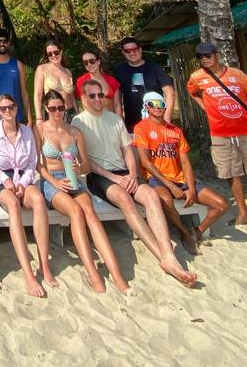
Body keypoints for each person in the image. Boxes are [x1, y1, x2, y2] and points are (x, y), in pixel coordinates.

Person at [72, 80, 196, 287]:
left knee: (151, 196)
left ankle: (167, 253)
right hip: (101, 176)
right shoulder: (79, 123)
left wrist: (130, 173)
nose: (97, 99)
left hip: (124, 172)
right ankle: (164, 258)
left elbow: (128, 149)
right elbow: (87, 161)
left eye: (100, 95)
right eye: (92, 95)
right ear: (83, 98)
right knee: (124, 200)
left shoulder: (114, 119)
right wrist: (115, 178)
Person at [37, 91, 128, 293]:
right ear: (46, 109)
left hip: (74, 178)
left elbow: (86, 164)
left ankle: (116, 273)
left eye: (60, 108)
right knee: (76, 212)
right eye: (52, 108)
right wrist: (55, 182)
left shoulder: (75, 132)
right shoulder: (40, 130)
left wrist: (80, 169)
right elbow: (37, 165)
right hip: (52, 181)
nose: (57, 112)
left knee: (90, 214)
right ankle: (93, 272)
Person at [133, 90, 229, 251]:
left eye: (161, 104)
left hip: (180, 178)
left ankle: (197, 232)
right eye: (152, 104)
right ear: (146, 107)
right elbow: (146, 163)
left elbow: (185, 162)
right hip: (157, 178)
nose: (157, 108)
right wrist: (171, 186)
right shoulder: (141, 128)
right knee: (165, 200)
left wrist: (191, 188)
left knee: (222, 205)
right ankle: (184, 232)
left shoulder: (175, 130)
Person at [187, 42, 247, 224]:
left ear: (216, 55)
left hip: (246, 130)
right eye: (200, 57)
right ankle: (243, 212)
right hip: (220, 133)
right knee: (232, 173)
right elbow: (192, 92)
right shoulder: (197, 77)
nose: (204, 60)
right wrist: (205, 107)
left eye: (207, 55)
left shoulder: (236, 74)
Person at [0, 94, 56, 297]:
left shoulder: (26, 132)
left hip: (23, 177)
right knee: (13, 205)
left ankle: (44, 263)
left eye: (10, 107)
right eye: (3, 108)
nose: (7, 111)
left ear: (17, 108)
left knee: (39, 200)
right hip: (2, 180)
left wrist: (23, 183)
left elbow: (32, 162)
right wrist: (6, 181)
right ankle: (28, 274)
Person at [114, 37, 175, 132]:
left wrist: (166, 117)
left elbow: (170, 93)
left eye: (134, 49)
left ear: (140, 49)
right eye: (127, 51)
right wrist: (120, 122)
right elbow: (117, 102)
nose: (132, 53)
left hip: (157, 122)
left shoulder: (155, 68)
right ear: (123, 53)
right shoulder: (119, 71)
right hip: (132, 125)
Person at [0, 28, 31, 126]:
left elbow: (24, 93)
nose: (1, 44)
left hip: (17, 117)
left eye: (4, 41)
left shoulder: (18, 65)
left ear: (8, 43)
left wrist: (29, 119)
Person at [33, 40, 76, 124]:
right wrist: (39, 117)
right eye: (49, 54)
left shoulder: (68, 72)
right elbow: (37, 95)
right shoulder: (42, 69)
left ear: (61, 51)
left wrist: (77, 115)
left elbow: (73, 99)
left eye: (56, 52)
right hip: (53, 114)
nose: (53, 55)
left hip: (71, 113)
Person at [75, 48, 122, 116]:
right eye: (86, 62)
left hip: (112, 121)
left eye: (92, 61)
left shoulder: (111, 80)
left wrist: (120, 122)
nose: (89, 64)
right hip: (94, 122)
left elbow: (117, 105)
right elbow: (85, 105)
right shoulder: (81, 81)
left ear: (98, 62)